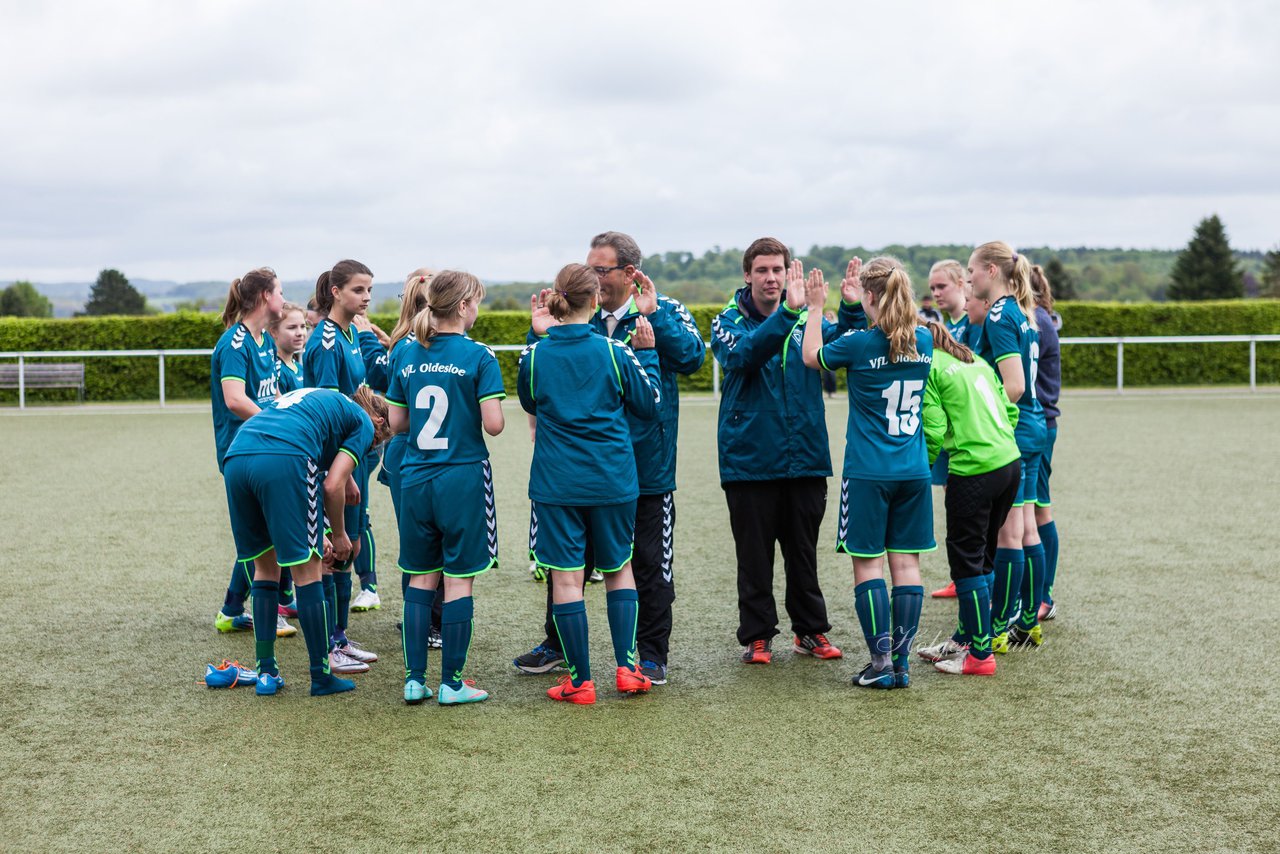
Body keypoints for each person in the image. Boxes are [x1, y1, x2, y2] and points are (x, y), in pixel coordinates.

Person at [513, 231, 705, 686]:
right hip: (599, 472)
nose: (594, 278)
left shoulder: (664, 309)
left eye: (602, 270)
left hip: (646, 466)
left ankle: (651, 654)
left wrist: (654, 321)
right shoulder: (578, 318)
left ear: (629, 273)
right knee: (571, 564)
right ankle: (558, 645)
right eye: (589, 270)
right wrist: (538, 332)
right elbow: (542, 377)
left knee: (650, 565)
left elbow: (694, 358)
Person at [711, 237, 864, 665]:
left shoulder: (806, 318)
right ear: (747, 275)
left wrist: (850, 308)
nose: (771, 278)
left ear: (787, 272)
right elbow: (743, 356)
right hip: (749, 461)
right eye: (762, 270)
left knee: (803, 554)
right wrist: (791, 314)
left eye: (778, 269)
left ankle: (810, 631)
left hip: (805, 457)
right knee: (754, 557)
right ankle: (757, 636)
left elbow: (845, 348)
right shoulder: (728, 320)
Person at [517, 263, 663, 705]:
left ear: (553, 301)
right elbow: (649, 404)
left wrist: (539, 334)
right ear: (596, 299)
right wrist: (649, 352)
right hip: (611, 479)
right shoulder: (616, 352)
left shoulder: (536, 354)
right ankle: (628, 669)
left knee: (567, 577)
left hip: (558, 482)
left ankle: (580, 681)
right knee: (619, 570)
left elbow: (529, 399)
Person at [800, 257, 934, 689]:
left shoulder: (859, 344)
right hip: (913, 471)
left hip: (868, 473)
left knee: (868, 568)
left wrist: (817, 307)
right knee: (907, 567)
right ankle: (902, 664)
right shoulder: (925, 340)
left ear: (871, 296)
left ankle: (879, 666)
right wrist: (861, 306)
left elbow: (811, 357)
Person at [220, 385, 389, 696]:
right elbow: (331, 485)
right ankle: (321, 676)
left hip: (238, 454)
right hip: (285, 456)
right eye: (374, 445)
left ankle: (267, 674)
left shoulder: (324, 400)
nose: (369, 450)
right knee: (307, 571)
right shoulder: (364, 423)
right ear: (378, 422)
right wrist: (337, 535)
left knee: (265, 569)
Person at [387, 271, 506, 705]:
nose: (478, 309)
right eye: (476, 302)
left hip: (415, 477)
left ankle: (414, 680)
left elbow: (397, 424)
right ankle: (453, 683)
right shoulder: (479, 355)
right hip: (462, 477)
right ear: (462, 307)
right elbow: (493, 425)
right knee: (458, 582)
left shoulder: (406, 352)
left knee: (420, 580)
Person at [914, 320, 1022, 676]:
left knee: (966, 563)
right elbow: (1010, 410)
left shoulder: (929, 366)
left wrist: (920, 472)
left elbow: (933, 428)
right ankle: (970, 637)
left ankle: (979, 656)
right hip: (1009, 463)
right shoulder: (975, 360)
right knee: (984, 556)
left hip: (974, 471)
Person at [969, 242, 1049, 652]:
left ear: (991, 271)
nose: (970, 280)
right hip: (1034, 427)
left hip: (1015, 431)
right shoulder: (1022, 310)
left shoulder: (1000, 315)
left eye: (973, 272)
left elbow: (1013, 386)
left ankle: (999, 627)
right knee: (1026, 527)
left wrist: (984, 412)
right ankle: (1029, 621)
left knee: (1008, 534)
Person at [303, 259, 380, 674]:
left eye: (369, 290)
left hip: (355, 455)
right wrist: (342, 472)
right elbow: (331, 412)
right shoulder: (326, 341)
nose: (366, 297)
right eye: (358, 290)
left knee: (351, 540)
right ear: (336, 292)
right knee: (337, 544)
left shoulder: (352, 333)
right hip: (337, 461)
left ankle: (341, 638)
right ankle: (331, 645)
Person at [211, 268, 286, 637]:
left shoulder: (265, 341)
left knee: (263, 537)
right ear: (263, 299)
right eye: (280, 293)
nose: (284, 301)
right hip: (243, 453)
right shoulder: (234, 344)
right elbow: (235, 399)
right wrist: (277, 424)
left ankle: (232, 608)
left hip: (264, 450)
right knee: (263, 538)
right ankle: (258, 611)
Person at [380, 269, 445, 644]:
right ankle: (430, 623)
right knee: (434, 541)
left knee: (415, 541)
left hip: (403, 453)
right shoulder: (435, 345)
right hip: (427, 455)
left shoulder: (399, 345)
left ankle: (417, 618)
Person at [926, 259, 973, 599]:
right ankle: (960, 577)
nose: (936, 293)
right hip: (946, 434)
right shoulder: (947, 326)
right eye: (932, 289)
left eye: (942, 286)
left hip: (968, 436)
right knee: (952, 505)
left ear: (961, 283)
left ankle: (976, 577)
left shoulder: (974, 324)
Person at [267, 301, 309, 621]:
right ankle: (238, 602)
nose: (300, 333)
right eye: (291, 327)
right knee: (266, 541)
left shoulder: (301, 365)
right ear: (274, 331)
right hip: (279, 456)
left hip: (299, 455)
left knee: (286, 535)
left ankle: (283, 597)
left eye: (303, 326)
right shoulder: (275, 369)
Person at [349, 302, 391, 613]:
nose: (303, 331)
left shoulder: (347, 341)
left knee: (358, 516)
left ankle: (369, 586)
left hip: (360, 440)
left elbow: (378, 375)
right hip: (359, 438)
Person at [1030, 265, 1063, 621]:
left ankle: (1045, 596)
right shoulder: (1037, 318)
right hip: (1038, 422)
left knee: (1039, 507)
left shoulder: (1037, 320)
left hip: (1039, 423)